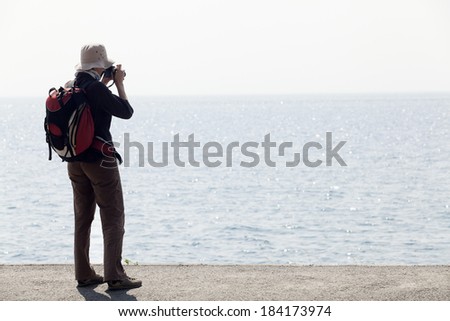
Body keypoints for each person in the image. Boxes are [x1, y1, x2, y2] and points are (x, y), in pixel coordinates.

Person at [67, 43, 141, 290]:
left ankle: (84, 273)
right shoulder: (97, 88)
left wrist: (106, 80)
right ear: (100, 66)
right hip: (99, 160)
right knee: (112, 216)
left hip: (74, 161)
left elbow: (93, 103)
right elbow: (126, 111)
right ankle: (115, 275)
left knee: (82, 217)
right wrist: (119, 83)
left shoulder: (71, 86)